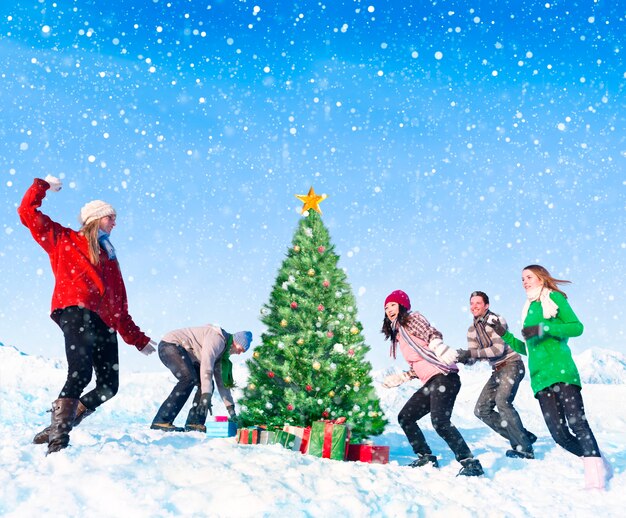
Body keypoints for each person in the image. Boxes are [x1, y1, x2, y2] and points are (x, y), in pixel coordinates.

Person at [18, 176, 156, 455]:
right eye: (110, 217)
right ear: (95, 219)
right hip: (75, 310)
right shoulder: (64, 239)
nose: (115, 223)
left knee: (109, 386)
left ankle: (60, 421)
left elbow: (119, 305)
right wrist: (42, 186)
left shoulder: (110, 258)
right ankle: (59, 439)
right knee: (80, 372)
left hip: (104, 322)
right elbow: (27, 213)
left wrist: (137, 339)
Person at [488, 265, 612, 489]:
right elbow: (526, 348)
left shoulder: (553, 298)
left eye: (528, 277)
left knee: (578, 425)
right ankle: (598, 460)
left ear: (540, 278)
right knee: (559, 434)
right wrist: (503, 334)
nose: (524, 281)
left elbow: (576, 327)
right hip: (540, 379)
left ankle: (596, 482)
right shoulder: (527, 311)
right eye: (522, 279)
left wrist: (545, 327)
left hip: (561, 371)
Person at [381, 290, 484, 477]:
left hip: (445, 377)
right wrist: (404, 377)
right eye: (386, 307)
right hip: (431, 381)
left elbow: (430, 332)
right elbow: (422, 361)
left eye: (393, 305)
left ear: (402, 306)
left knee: (440, 422)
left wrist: (438, 345)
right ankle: (425, 456)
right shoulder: (400, 335)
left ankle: (470, 462)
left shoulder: (411, 319)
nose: (389, 310)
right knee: (405, 417)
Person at [456, 291, 536, 459]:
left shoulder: (496, 320)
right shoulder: (472, 330)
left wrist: (472, 353)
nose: (474, 306)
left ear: (487, 305)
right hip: (497, 370)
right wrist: (462, 357)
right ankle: (522, 436)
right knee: (481, 410)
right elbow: (474, 357)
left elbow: (497, 350)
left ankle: (524, 448)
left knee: (502, 401)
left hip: (512, 364)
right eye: (472, 303)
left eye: (478, 303)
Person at [151, 325, 252, 432]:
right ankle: (161, 421)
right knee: (188, 378)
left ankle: (194, 423)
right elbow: (206, 366)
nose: (239, 353)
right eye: (240, 349)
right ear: (235, 342)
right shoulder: (217, 340)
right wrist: (205, 395)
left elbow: (221, 383)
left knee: (208, 385)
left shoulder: (222, 355)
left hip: (183, 353)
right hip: (170, 345)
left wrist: (231, 410)